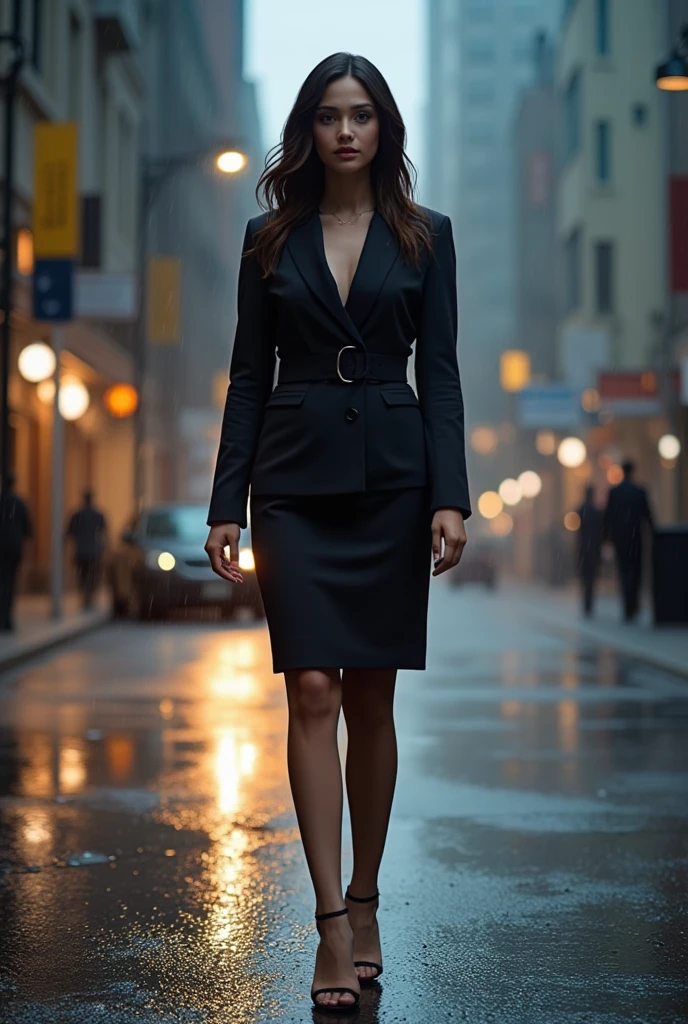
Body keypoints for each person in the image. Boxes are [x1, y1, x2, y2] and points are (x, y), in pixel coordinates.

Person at [204, 53, 470, 1011]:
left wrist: (453, 495)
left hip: (395, 484)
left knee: (371, 697)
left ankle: (367, 900)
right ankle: (327, 920)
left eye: (361, 114)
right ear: (308, 131)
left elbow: (439, 372)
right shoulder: (266, 237)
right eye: (328, 115)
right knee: (309, 686)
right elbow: (246, 376)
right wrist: (224, 504)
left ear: (383, 128)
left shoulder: (427, 235)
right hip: (293, 484)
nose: (346, 131)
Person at [603, 459, 654, 622]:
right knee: (636, 571)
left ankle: (628, 605)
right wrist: (654, 534)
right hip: (636, 538)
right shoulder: (640, 491)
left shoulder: (614, 492)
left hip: (620, 538)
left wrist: (606, 538)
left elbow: (608, 517)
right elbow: (648, 515)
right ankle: (633, 603)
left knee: (624, 571)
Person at [0, 474, 33, 631]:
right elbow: (28, 528)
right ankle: (6, 617)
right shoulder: (19, 503)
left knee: (4, 581)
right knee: (9, 581)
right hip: (13, 547)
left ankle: (4, 616)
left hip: (4, 546)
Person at [65, 491, 107, 610]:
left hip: (81, 551)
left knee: (83, 575)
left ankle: (86, 596)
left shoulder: (77, 515)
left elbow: (69, 533)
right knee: (92, 575)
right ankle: (89, 596)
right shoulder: (98, 515)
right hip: (94, 551)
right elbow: (103, 533)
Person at [576, 485, 604, 616]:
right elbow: (601, 531)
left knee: (585, 576)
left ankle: (587, 601)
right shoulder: (597, 512)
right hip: (594, 548)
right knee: (591, 576)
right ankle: (589, 601)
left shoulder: (580, 510)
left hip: (583, 548)